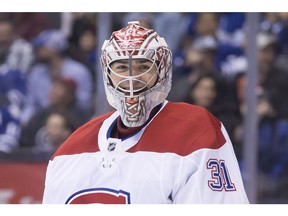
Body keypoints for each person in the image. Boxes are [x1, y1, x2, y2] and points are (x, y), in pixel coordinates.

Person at [42, 21, 249, 204]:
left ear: (162, 70)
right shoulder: (69, 151)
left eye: (143, 66)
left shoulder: (196, 132)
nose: (132, 78)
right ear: (107, 74)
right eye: (122, 67)